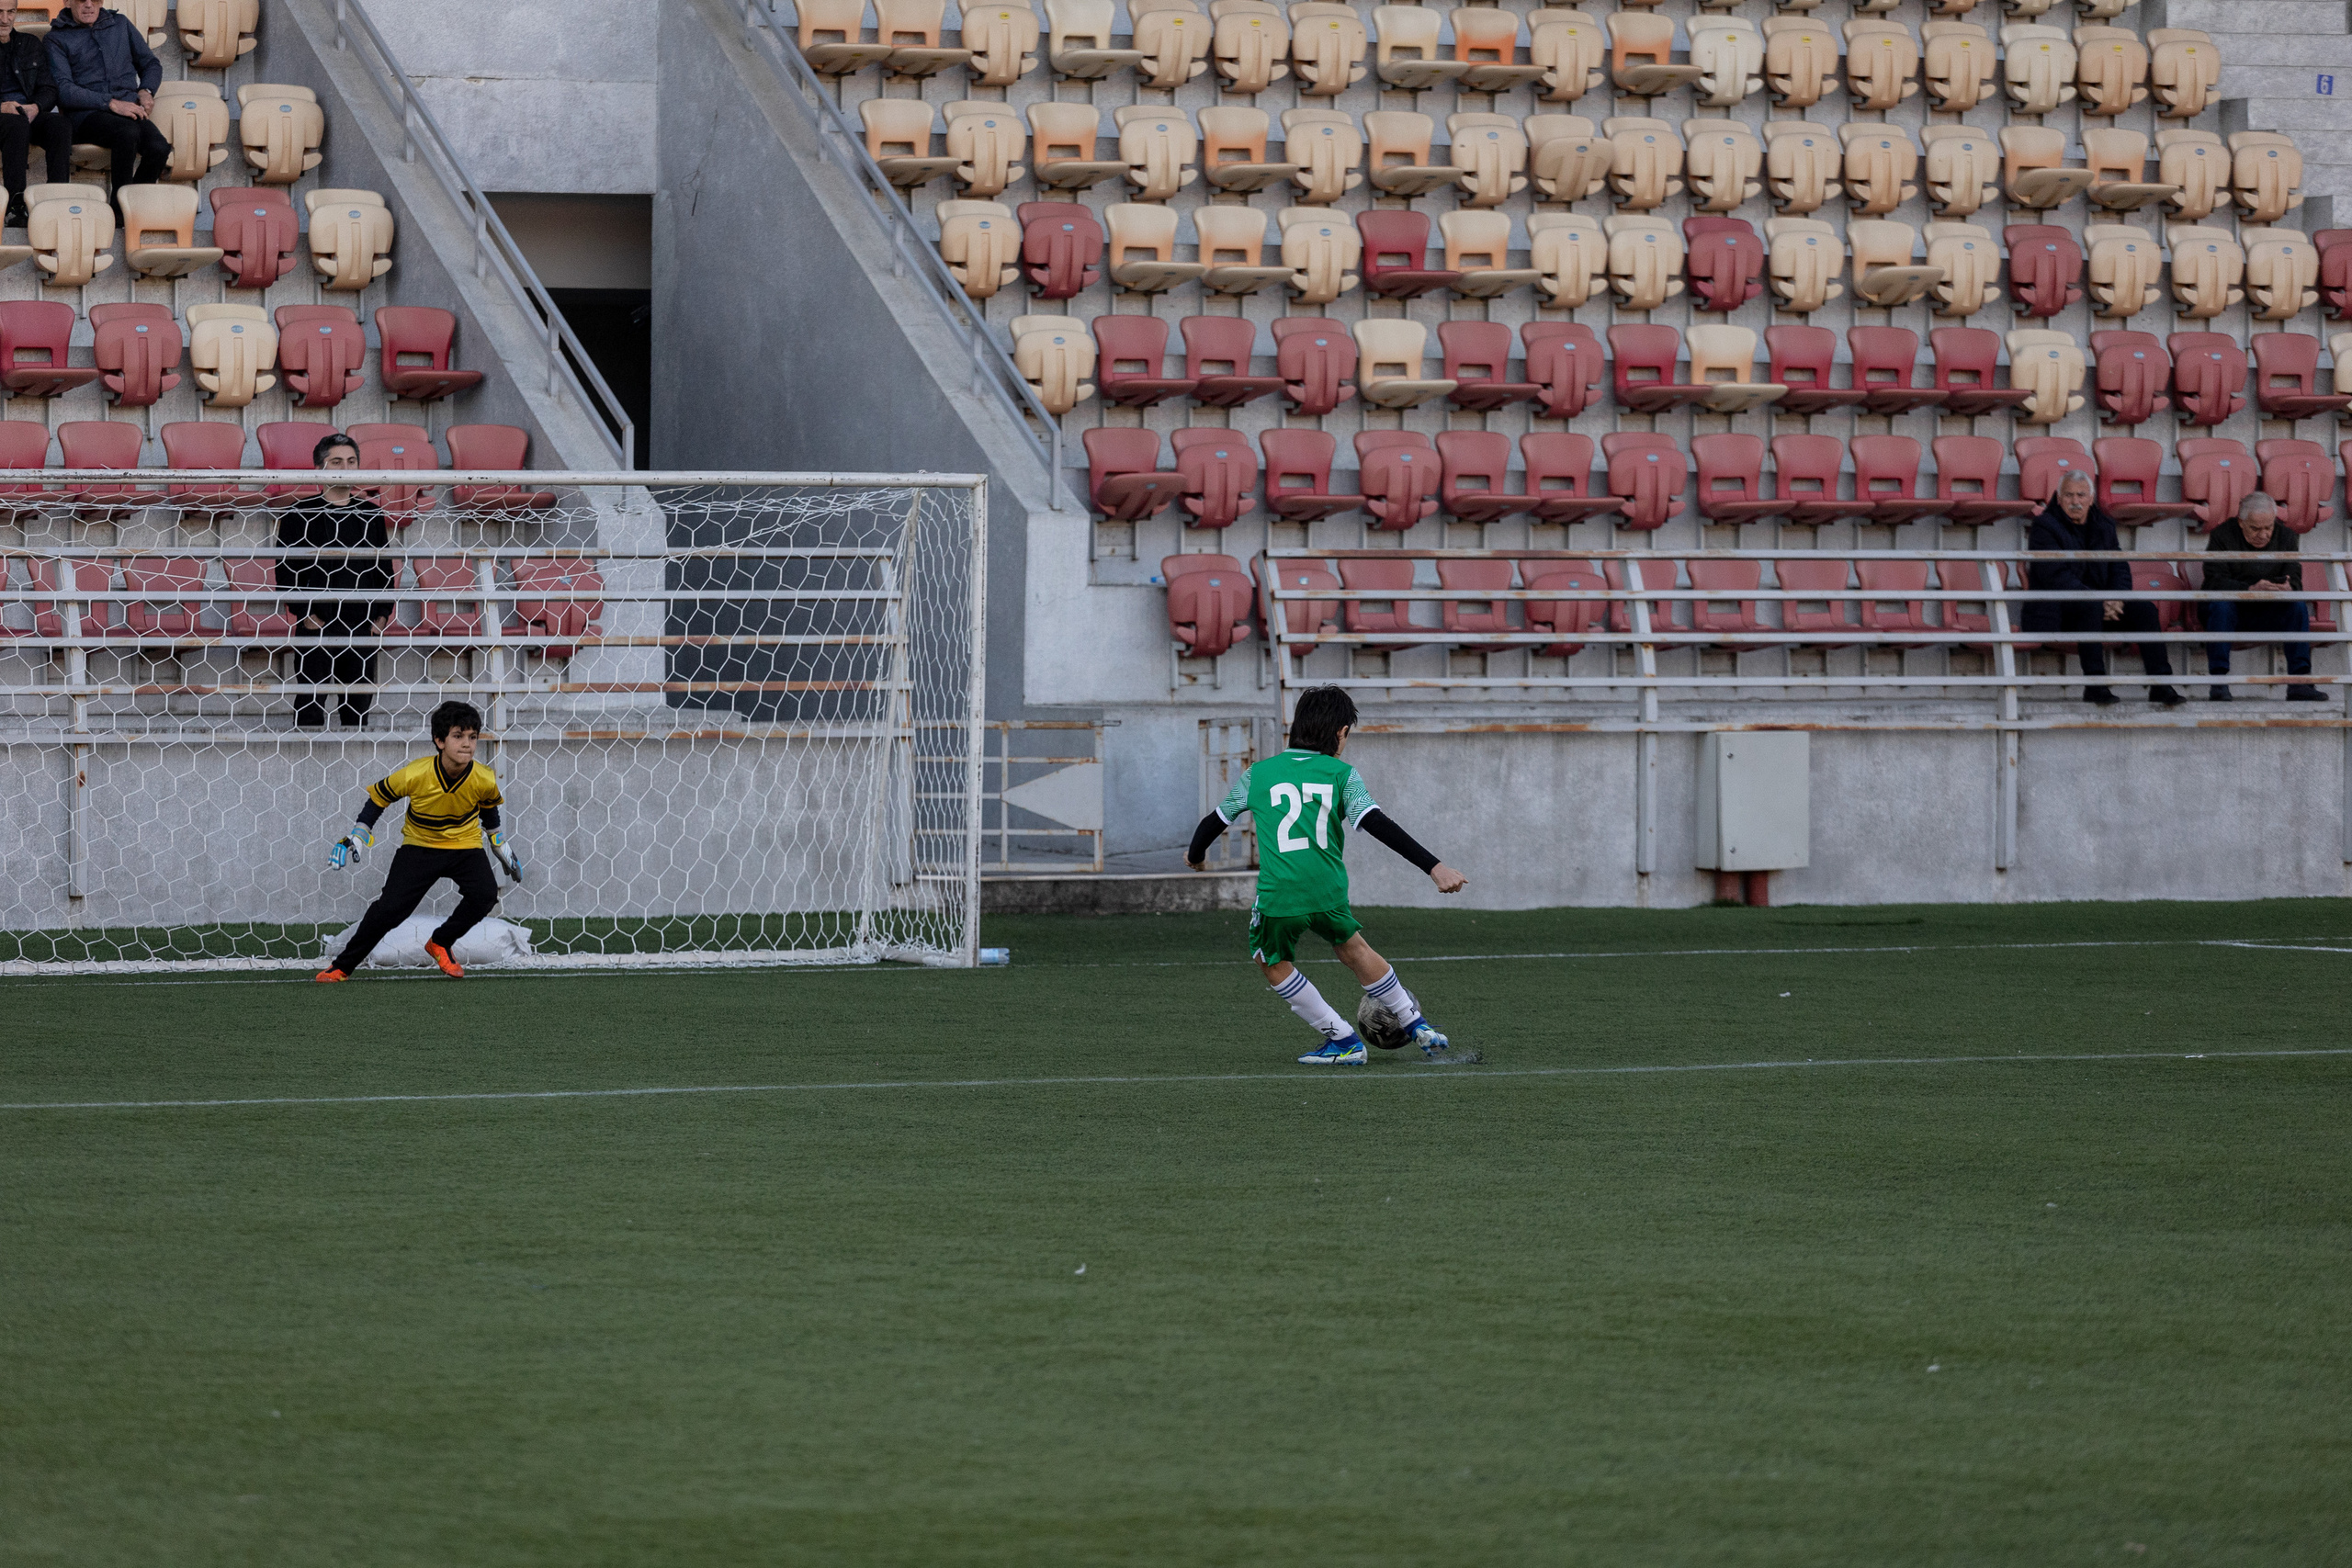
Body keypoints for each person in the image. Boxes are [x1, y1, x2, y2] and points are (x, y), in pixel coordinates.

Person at [1183, 685, 1470, 1066]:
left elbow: (1214, 821)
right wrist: (1434, 867)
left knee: (1270, 960)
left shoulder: (1259, 774)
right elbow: (1379, 824)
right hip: (1329, 889)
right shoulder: (1343, 775)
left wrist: (1196, 856)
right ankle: (1415, 1022)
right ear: (1341, 732)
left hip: (1282, 893)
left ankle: (1343, 1040)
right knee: (1354, 949)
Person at [316, 700, 524, 982]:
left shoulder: (484, 777)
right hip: (419, 847)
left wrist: (501, 846)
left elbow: (489, 810)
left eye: (473, 737)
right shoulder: (416, 773)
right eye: (458, 736)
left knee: (485, 895)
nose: (467, 744)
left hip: (465, 847)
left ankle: (440, 942)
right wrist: (359, 834)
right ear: (439, 740)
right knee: (390, 910)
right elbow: (379, 798)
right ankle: (342, 966)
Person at [2020, 469, 2185, 707]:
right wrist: (2098, 601)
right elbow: (2055, 576)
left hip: (2099, 608)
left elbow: (2119, 568)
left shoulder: (2104, 525)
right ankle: (2095, 686)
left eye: (2081, 495)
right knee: (2090, 607)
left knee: (2146, 610)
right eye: (2068, 495)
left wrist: (2116, 598)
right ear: (2058, 498)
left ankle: (2161, 685)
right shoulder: (2044, 526)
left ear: (2091, 498)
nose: (2075, 501)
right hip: (2057, 611)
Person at [278, 433, 393, 730]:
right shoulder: (298, 514)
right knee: (310, 705)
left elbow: (384, 569)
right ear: (320, 468)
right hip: (317, 623)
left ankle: (355, 755)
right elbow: (285, 571)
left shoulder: (371, 514)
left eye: (352, 461)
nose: (346, 467)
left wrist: (382, 615)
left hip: (361, 624)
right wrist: (305, 614)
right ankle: (305, 757)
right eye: (337, 461)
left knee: (357, 708)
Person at [2201, 491, 2327, 703]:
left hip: (2268, 609)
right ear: (2241, 522)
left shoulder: (2286, 536)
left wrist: (2288, 588)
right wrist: (2249, 589)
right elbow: (2214, 580)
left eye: (2268, 527)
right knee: (2221, 606)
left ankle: (2300, 682)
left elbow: (2296, 578)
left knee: (2297, 605)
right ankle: (2219, 682)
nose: (2263, 535)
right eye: (2255, 528)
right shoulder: (2222, 535)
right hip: (2234, 609)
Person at [44, 0, 165, 202]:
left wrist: (146, 90)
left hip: (127, 108)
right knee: (127, 133)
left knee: (159, 147)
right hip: (85, 115)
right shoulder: (55, 38)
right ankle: (118, 209)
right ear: (67, 1)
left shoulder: (121, 23)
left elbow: (150, 63)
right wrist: (111, 103)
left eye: (95, 0)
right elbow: (64, 90)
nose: (89, 5)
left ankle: (133, 204)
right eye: (82, 0)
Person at [0, 4, 74, 228]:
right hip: (4, 117)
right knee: (16, 125)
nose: (5, 19)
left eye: (10, 12)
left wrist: (36, 106)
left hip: (26, 113)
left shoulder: (30, 43)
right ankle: (15, 205)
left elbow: (48, 88)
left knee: (59, 125)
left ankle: (57, 198)